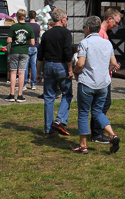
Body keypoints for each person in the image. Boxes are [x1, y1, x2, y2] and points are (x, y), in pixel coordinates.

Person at [73, 15, 121, 154]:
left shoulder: (85, 43)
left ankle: (83, 145)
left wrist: (75, 72)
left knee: (83, 113)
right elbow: (114, 63)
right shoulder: (107, 43)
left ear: (88, 28)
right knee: (98, 112)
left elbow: (80, 63)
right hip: (103, 83)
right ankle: (112, 135)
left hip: (87, 82)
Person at [38, 8, 74, 137]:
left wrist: (38, 72)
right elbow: (67, 52)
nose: (66, 21)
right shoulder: (66, 33)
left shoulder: (46, 34)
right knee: (67, 94)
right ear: (62, 19)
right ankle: (59, 120)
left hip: (48, 65)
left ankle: (48, 130)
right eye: (66, 19)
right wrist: (70, 69)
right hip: (61, 65)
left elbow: (40, 55)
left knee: (49, 97)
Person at [91, 7, 121, 144]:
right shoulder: (101, 34)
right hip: (101, 76)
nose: (117, 25)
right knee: (102, 104)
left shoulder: (103, 33)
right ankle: (97, 133)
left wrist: (112, 65)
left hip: (104, 73)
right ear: (109, 19)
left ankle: (97, 132)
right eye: (116, 22)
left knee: (102, 104)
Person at [6, 9, 35, 103]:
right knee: (22, 73)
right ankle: (20, 95)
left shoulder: (13, 27)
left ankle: (11, 94)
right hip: (24, 51)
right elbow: (33, 42)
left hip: (14, 51)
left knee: (13, 72)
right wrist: (25, 43)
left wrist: (14, 41)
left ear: (17, 17)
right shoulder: (29, 28)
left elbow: (8, 40)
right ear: (25, 17)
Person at [25, 10, 42, 90]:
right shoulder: (38, 26)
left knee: (25, 66)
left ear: (28, 16)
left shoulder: (26, 25)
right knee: (33, 66)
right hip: (34, 46)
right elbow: (38, 36)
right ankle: (33, 84)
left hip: (27, 46)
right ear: (35, 17)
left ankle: (24, 84)